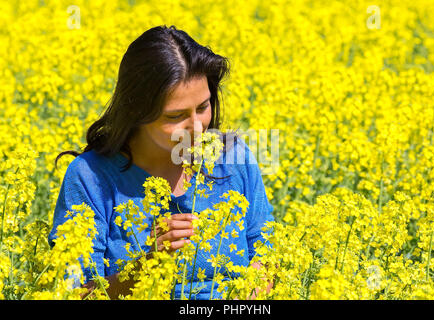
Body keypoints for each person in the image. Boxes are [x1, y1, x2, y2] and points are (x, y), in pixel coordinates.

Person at [48, 25, 274, 300]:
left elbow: (267, 251)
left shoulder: (234, 158)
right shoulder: (90, 177)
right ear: (138, 112)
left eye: (203, 107)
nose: (198, 128)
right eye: (176, 116)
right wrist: (148, 264)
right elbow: (74, 293)